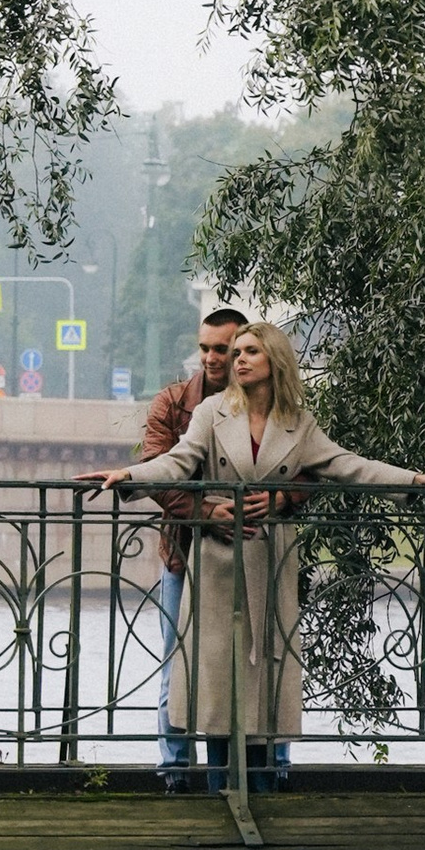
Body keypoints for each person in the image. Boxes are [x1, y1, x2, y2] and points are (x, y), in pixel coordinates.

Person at [108, 321, 425, 789]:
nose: (238, 360)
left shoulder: (298, 422)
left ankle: (264, 789)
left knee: (265, 672)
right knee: (216, 678)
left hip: (270, 562)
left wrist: (413, 481)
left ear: (274, 360)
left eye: (249, 351)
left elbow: (347, 465)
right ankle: (220, 791)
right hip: (216, 563)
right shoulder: (212, 412)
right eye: (237, 353)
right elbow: (177, 461)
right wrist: (130, 476)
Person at [139, 307, 246, 787]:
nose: (210, 358)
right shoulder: (173, 402)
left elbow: (298, 472)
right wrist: (208, 513)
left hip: (247, 553)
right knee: (176, 659)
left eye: (220, 349)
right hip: (183, 551)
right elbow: (158, 474)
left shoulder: (265, 402)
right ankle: (175, 771)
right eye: (204, 348)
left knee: (255, 658)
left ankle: (259, 769)